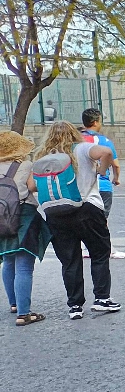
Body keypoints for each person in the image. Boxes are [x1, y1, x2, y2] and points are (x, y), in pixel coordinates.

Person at [35, 121, 122, 318]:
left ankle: (75, 306)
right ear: (74, 133)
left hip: (56, 214)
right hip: (87, 208)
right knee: (99, 253)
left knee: (69, 260)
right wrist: (101, 171)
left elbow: (32, 185)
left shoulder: (43, 157)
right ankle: (102, 298)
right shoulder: (82, 148)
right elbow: (106, 153)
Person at [0, 131, 50, 326]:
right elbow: (32, 187)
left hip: (1, 219)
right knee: (24, 266)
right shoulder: (26, 165)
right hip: (23, 216)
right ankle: (24, 313)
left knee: (8, 260)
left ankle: (13, 304)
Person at [80, 108, 125, 259]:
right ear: (95, 122)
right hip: (102, 185)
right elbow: (116, 164)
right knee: (102, 219)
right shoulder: (104, 141)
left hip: (81, 185)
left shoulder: (77, 141)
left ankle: (85, 246)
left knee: (84, 217)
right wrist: (116, 178)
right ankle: (108, 248)